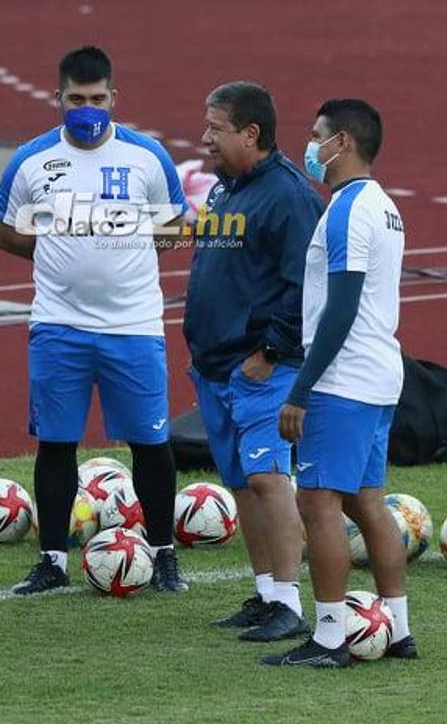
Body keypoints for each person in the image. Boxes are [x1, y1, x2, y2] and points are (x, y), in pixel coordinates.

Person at [0, 46, 190, 594]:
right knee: (56, 442)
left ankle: (164, 555)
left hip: (135, 325)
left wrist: (129, 245)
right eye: (76, 99)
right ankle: (53, 559)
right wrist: (57, 253)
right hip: (59, 325)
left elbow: (176, 227)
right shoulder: (30, 161)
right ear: (57, 98)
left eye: (97, 99)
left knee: (151, 444)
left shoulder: (148, 157)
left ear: (114, 98)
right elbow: (3, 232)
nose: (87, 109)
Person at [263, 98, 415, 668]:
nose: (310, 145)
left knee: (318, 501)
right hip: (379, 378)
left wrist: (301, 390)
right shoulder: (385, 206)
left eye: (316, 135)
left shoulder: (350, 211)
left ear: (343, 142)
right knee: (367, 502)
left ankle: (330, 636)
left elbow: (342, 306)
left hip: (342, 380)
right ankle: (398, 629)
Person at [183, 81, 325, 642]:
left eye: (215, 128)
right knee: (243, 484)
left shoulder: (289, 198)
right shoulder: (226, 189)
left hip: (261, 371)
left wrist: (269, 353)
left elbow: (305, 287)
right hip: (217, 369)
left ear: (251, 133)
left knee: (269, 481)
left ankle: (290, 604)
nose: (205, 138)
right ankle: (267, 593)